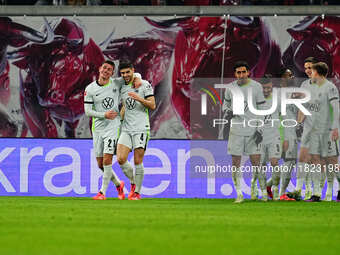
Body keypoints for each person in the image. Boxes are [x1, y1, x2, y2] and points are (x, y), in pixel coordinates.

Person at [84, 60, 142, 200]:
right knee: (100, 164)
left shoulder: (116, 83)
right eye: (104, 68)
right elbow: (87, 111)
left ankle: (102, 192)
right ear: (99, 69)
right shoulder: (90, 89)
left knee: (107, 159)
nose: (106, 71)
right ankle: (118, 185)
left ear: (112, 73)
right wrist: (103, 115)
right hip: (97, 129)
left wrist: (138, 78)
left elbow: (133, 74)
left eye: (109, 70)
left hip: (113, 126)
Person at [222, 61, 266, 203]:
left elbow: (262, 110)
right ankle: (239, 193)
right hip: (236, 130)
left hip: (253, 129)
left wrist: (260, 128)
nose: (241, 75)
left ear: (248, 72)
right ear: (235, 74)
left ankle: (259, 190)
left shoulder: (256, 87)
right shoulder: (230, 88)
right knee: (236, 162)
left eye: (243, 72)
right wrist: (228, 111)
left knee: (256, 162)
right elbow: (225, 106)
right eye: (238, 72)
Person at [117, 60, 156, 201]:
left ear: (133, 70)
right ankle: (133, 182)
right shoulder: (122, 87)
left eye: (128, 72)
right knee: (121, 159)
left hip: (141, 128)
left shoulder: (144, 84)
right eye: (123, 73)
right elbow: (124, 106)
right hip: (126, 128)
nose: (126, 75)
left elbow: (152, 105)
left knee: (138, 161)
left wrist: (139, 98)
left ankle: (137, 193)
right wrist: (118, 122)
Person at [305, 62, 339, 202]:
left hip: (328, 131)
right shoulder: (312, 88)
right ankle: (317, 193)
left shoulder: (330, 87)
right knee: (315, 162)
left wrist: (335, 127)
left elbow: (336, 108)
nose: (310, 74)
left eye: (311, 71)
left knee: (332, 163)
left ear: (317, 73)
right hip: (314, 132)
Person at [251, 74, 280, 202]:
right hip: (259, 138)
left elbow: (284, 117)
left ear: (272, 86)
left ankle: (274, 189)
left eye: (269, 88)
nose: (267, 90)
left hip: (274, 136)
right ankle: (258, 188)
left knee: (275, 164)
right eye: (264, 88)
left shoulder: (278, 99)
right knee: (260, 166)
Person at [295, 57, 317, 200]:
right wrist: (298, 124)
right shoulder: (304, 85)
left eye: (310, 67)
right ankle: (307, 191)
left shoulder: (326, 85)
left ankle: (317, 192)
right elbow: (302, 107)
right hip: (308, 127)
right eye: (306, 67)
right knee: (305, 159)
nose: (308, 70)